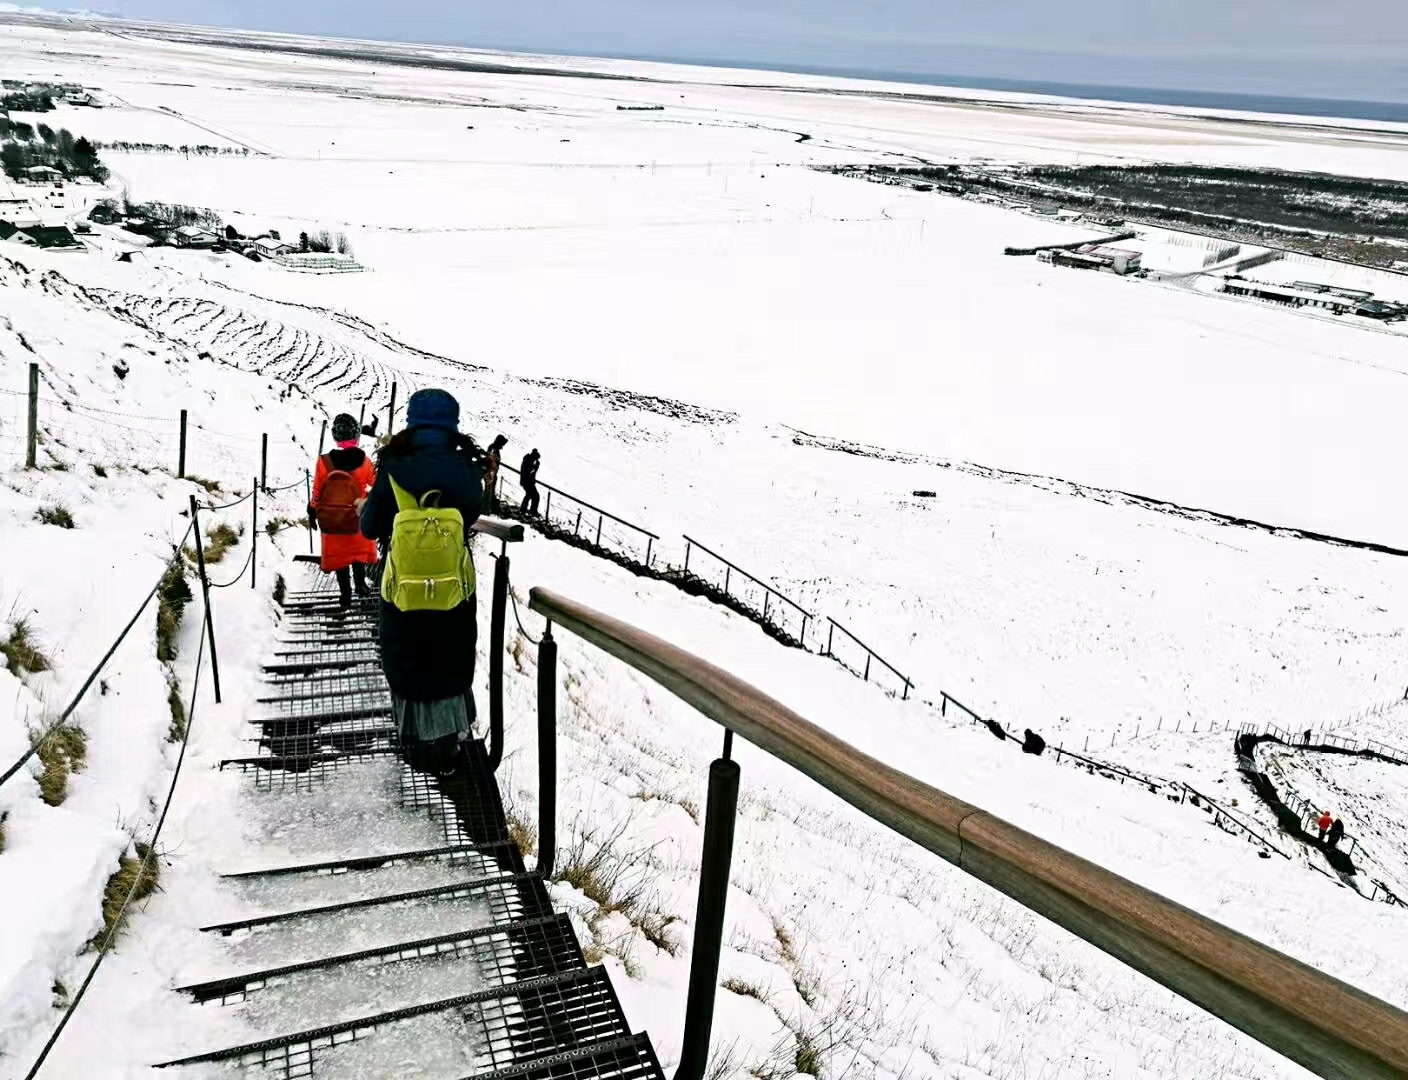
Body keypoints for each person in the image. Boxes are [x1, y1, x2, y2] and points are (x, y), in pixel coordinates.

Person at [360, 388, 483, 775]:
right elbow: (473, 514)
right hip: (453, 589)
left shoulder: (395, 464)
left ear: (412, 422)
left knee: (408, 660)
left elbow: (369, 527)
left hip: (402, 589)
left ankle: (414, 749)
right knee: (448, 659)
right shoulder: (465, 469)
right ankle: (448, 752)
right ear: (453, 424)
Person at [309, 413, 378, 608]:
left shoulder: (324, 462)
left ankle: (345, 594)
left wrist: (313, 510)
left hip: (333, 520)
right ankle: (361, 585)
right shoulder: (365, 463)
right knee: (357, 554)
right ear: (356, 436)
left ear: (335, 436)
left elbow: (317, 491)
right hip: (357, 517)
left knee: (340, 558)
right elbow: (375, 486)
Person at [482, 435, 507, 513]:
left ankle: (487, 507)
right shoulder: (493, 449)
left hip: (492, 472)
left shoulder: (494, 448)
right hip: (490, 472)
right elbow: (491, 461)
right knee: (488, 491)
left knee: (490, 491)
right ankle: (485, 508)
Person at [520, 448, 542, 515]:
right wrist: (536, 467)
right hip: (527, 482)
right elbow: (529, 472)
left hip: (527, 481)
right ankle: (532, 511)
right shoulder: (528, 461)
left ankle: (523, 509)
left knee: (529, 495)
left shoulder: (528, 460)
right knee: (535, 496)